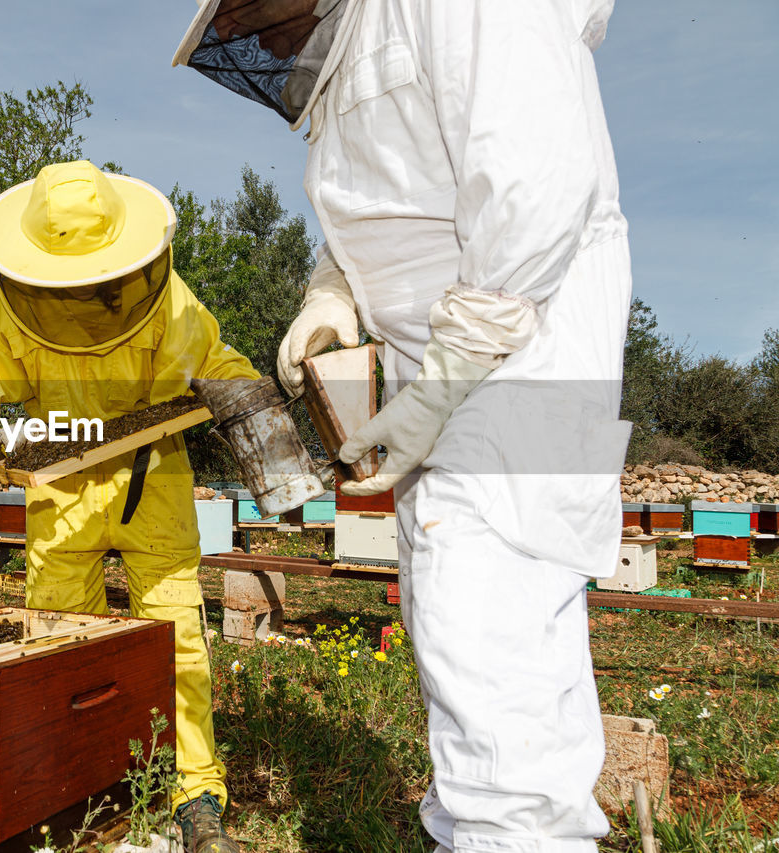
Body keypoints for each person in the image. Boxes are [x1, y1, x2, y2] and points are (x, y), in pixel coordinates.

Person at [176, 2, 632, 851]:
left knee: (484, 648)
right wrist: (332, 297)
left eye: (248, 10)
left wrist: (445, 379)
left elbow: (536, 184)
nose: (251, 37)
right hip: (452, 397)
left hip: (518, 381)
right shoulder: (360, 53)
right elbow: (382, 216)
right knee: (479, 656)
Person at [0, 160, 257, 853]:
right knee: (60, 645)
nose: (83, 294)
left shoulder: (165, 300)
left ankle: (194, 794)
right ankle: (82, 785)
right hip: (61, 487)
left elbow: (219, 363)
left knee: (177, 641)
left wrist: (246, 397)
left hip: (150, 478)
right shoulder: (3, 309)